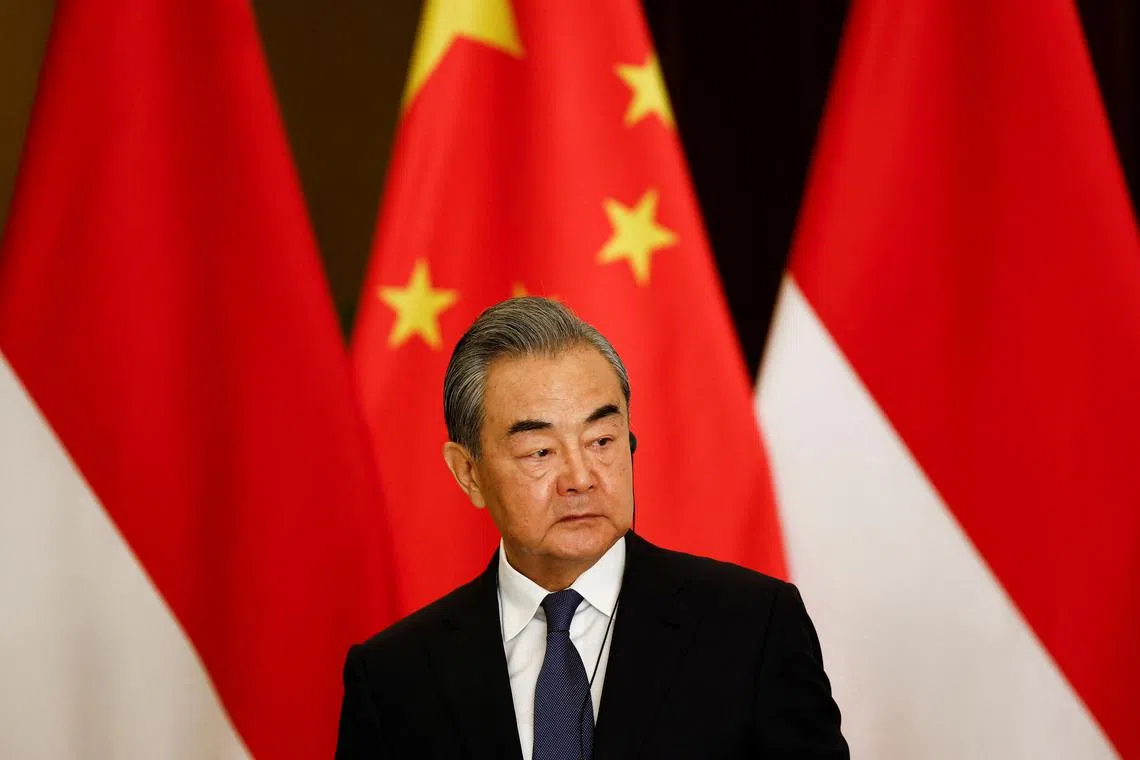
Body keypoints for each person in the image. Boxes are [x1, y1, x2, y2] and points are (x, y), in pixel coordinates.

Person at [335, 297, 848, 759]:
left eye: (602, 440)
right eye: (540, 451)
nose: (580, 479)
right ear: (469, 473)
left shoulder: (752, 630)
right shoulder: (394, 677)